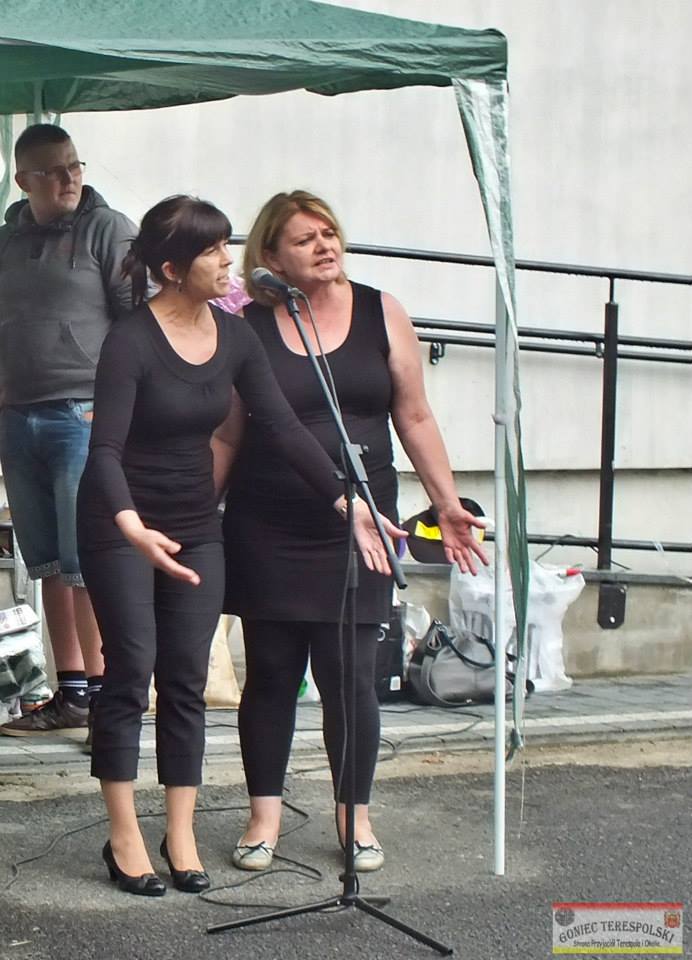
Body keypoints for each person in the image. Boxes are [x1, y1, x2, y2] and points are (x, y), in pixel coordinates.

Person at [76, 195, 401, 897]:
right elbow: (103, 451)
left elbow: (281, 425)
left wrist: (346, 502)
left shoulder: (234, 336)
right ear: (172, 268)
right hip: (120, 524)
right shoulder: (130, 340)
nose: (230, 260)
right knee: (132, 670)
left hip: (195, 524)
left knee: (185, 676)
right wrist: (129, 523)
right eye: (213, 250)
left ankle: (181, 833)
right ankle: (124, 835)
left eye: (229, 244)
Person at [216, 190, 489, 874]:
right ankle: (263, 816)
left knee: (351, 677)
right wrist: (190, 517)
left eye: (330, 233)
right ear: (271, 256)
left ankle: (354, 817)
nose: (325, 246)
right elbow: (227, 434)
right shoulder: (249, 326)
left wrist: (446, 504)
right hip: (269, 523)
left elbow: (414, 416)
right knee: (271, 673)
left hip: (364, 525)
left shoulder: (380, 311)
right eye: (305, 239)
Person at [0, 124, 135, 740]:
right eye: (53, 171)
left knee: (87, 561)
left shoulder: (108, 229)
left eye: (75, 165)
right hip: (18, 416)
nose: (69, 178)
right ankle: (73, 693)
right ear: (23, 180)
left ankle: (108, 698)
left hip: (84, 414)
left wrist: (123, 410)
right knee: (48, 562)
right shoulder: (7, 241)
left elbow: (140, 322)